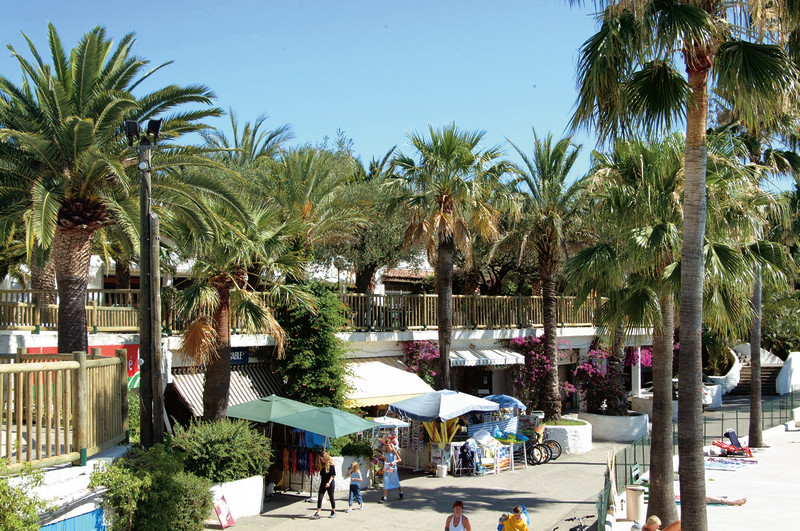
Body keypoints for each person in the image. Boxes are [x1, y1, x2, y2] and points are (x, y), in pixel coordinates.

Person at [311, 452, 336, 519]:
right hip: (323, 482)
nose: (322, 460)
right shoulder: (322, 465)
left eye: (323, 459)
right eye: (321, 459)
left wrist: (329, 482)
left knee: (331, 497)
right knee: (320, 497)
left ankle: (333, 511)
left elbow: (333, 475)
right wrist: (322, 483)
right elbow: (322, 475)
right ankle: (318, 512)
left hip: (330, 483)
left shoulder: (331, 465)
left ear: (326, 458)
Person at [379, 437, 404, 502]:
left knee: (395, 481)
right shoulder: (385, 452)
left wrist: (393, 462)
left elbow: (399, 459)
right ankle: (385, 497)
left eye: (387, 444)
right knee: (386, 480)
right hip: (387, 468)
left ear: (390, 444)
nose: (386, 446)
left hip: (393, 468)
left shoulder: (393, 451)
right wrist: (383, 467)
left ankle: (401, 492)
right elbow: (385, 460)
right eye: (386, 445)